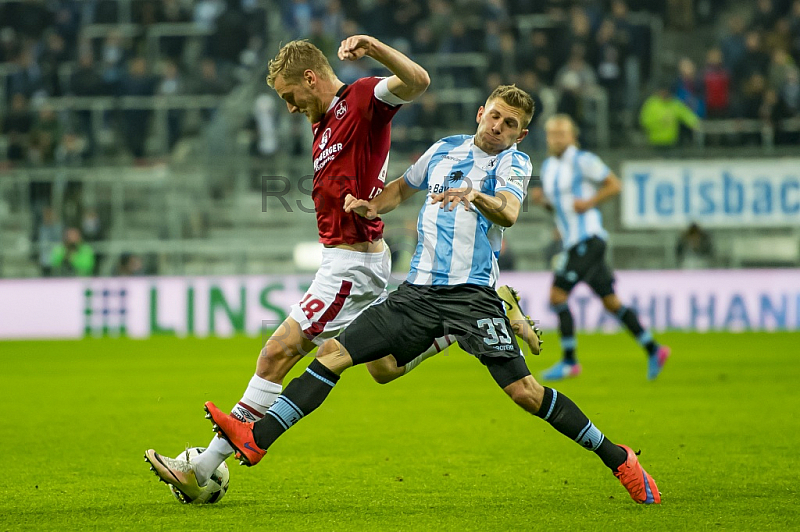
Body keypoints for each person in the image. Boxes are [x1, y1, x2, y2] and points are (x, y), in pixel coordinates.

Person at [204, 86, 661, 505]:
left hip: (471, 297)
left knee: (525, 393)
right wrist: (371, 205)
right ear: (481, 113)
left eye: (509, 125)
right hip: (417, 293)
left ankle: (618, 457)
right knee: (335, 354)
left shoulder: (513, 164)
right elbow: (403, 187)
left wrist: (475, 195)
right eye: (494, 116)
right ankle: (257, 439)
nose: (498, 127)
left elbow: (510, 213)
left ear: (520, 134)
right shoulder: (444, 149)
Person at [145, 37, 539, 503]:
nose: (290, 108)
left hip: (350, 266)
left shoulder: (362, 99)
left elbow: (417, 81)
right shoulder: (323, 124)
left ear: (311, 78)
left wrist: (372, 47)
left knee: (277, 353)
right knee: (384, 369)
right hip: (356, 260)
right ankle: (460, 323)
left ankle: (203, 467)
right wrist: (371, 203)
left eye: (291, 96)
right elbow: (384, 187)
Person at [532, 115, 670, 381]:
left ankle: (570, 361)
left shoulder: (584, 161)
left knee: (557, 296)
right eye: (552, 134)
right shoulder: (548, 167)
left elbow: (615, 184)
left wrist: (590, 202)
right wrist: (543, 203)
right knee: (611, 301)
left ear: (573, 136)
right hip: (573, 241)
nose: (556, 139)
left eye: (562, 134)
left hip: (589, 239)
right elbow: (560, 207)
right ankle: (654, 349)